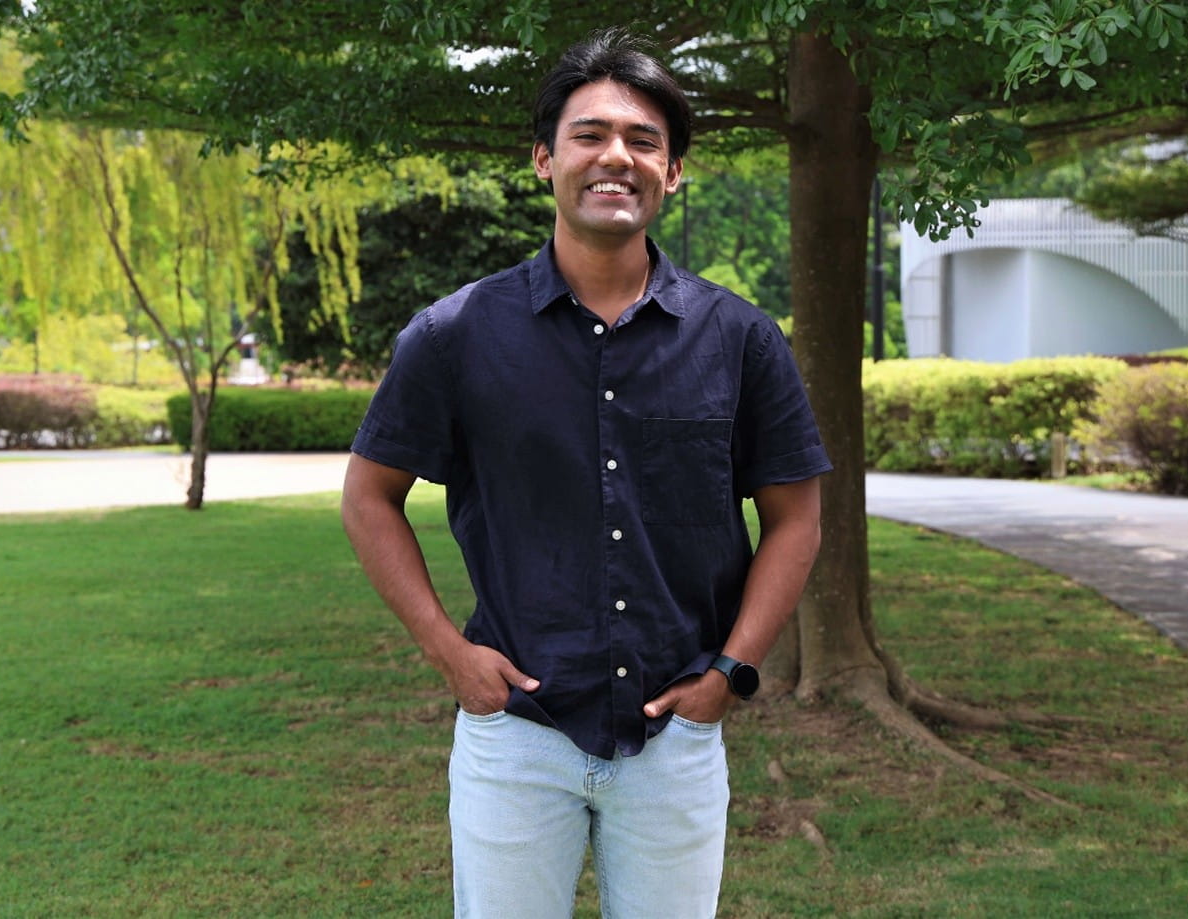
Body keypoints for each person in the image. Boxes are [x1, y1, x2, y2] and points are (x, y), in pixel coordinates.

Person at [340, 27, 829, 919]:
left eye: (645, 141)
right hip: (515, 738)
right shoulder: (454, 337)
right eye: (590, 134)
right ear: (543, 159)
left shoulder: (741, 341)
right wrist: (449, 653)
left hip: (676, 737)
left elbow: (796, 518)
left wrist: (730, 673)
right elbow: (369, 498)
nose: (617, 157)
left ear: (673, 172)